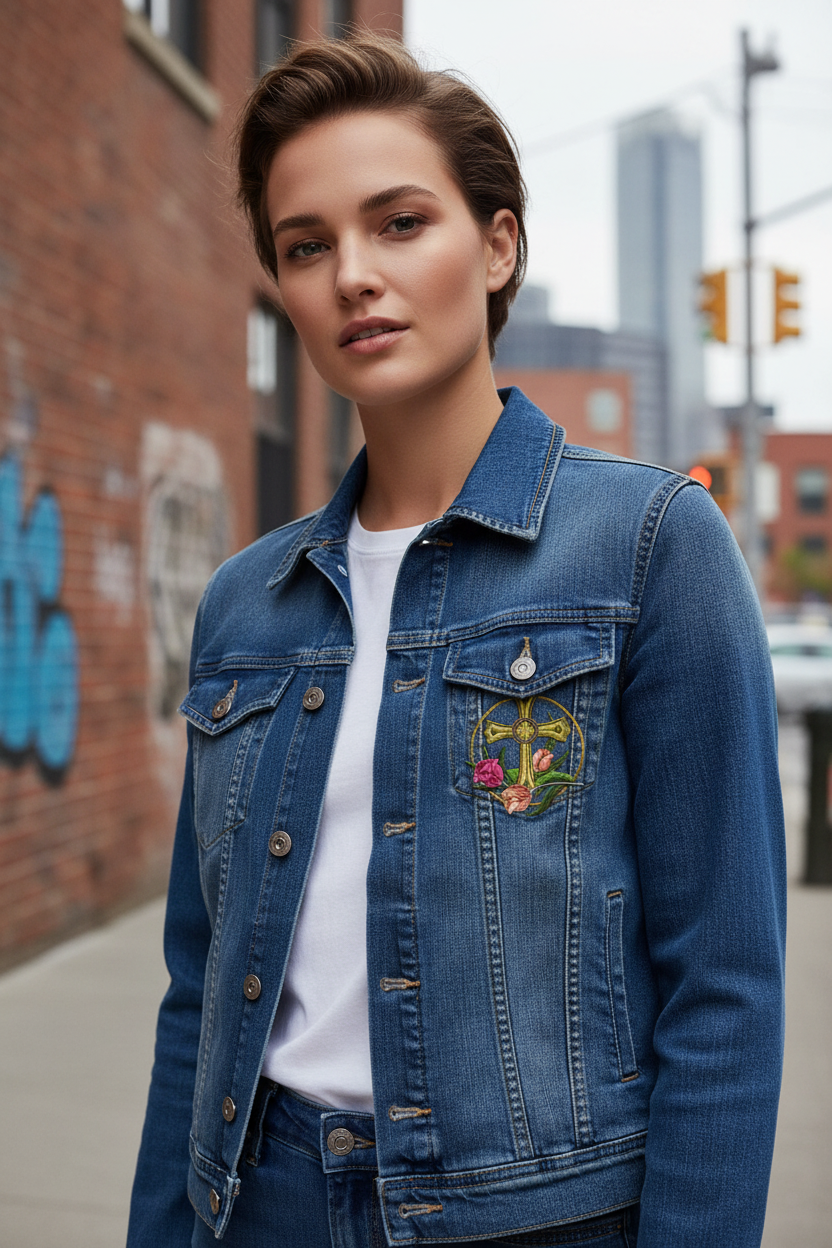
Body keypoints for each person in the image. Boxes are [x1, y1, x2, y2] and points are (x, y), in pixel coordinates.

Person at [127, 32, 786, 1248]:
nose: (351, 278)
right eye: (305, 246)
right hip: (257, 1201)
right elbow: (200, 990)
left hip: (535, 1219)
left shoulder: (648, 545)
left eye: (399, 223)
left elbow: (727, 993)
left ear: (496, 244)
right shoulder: (244, 603)